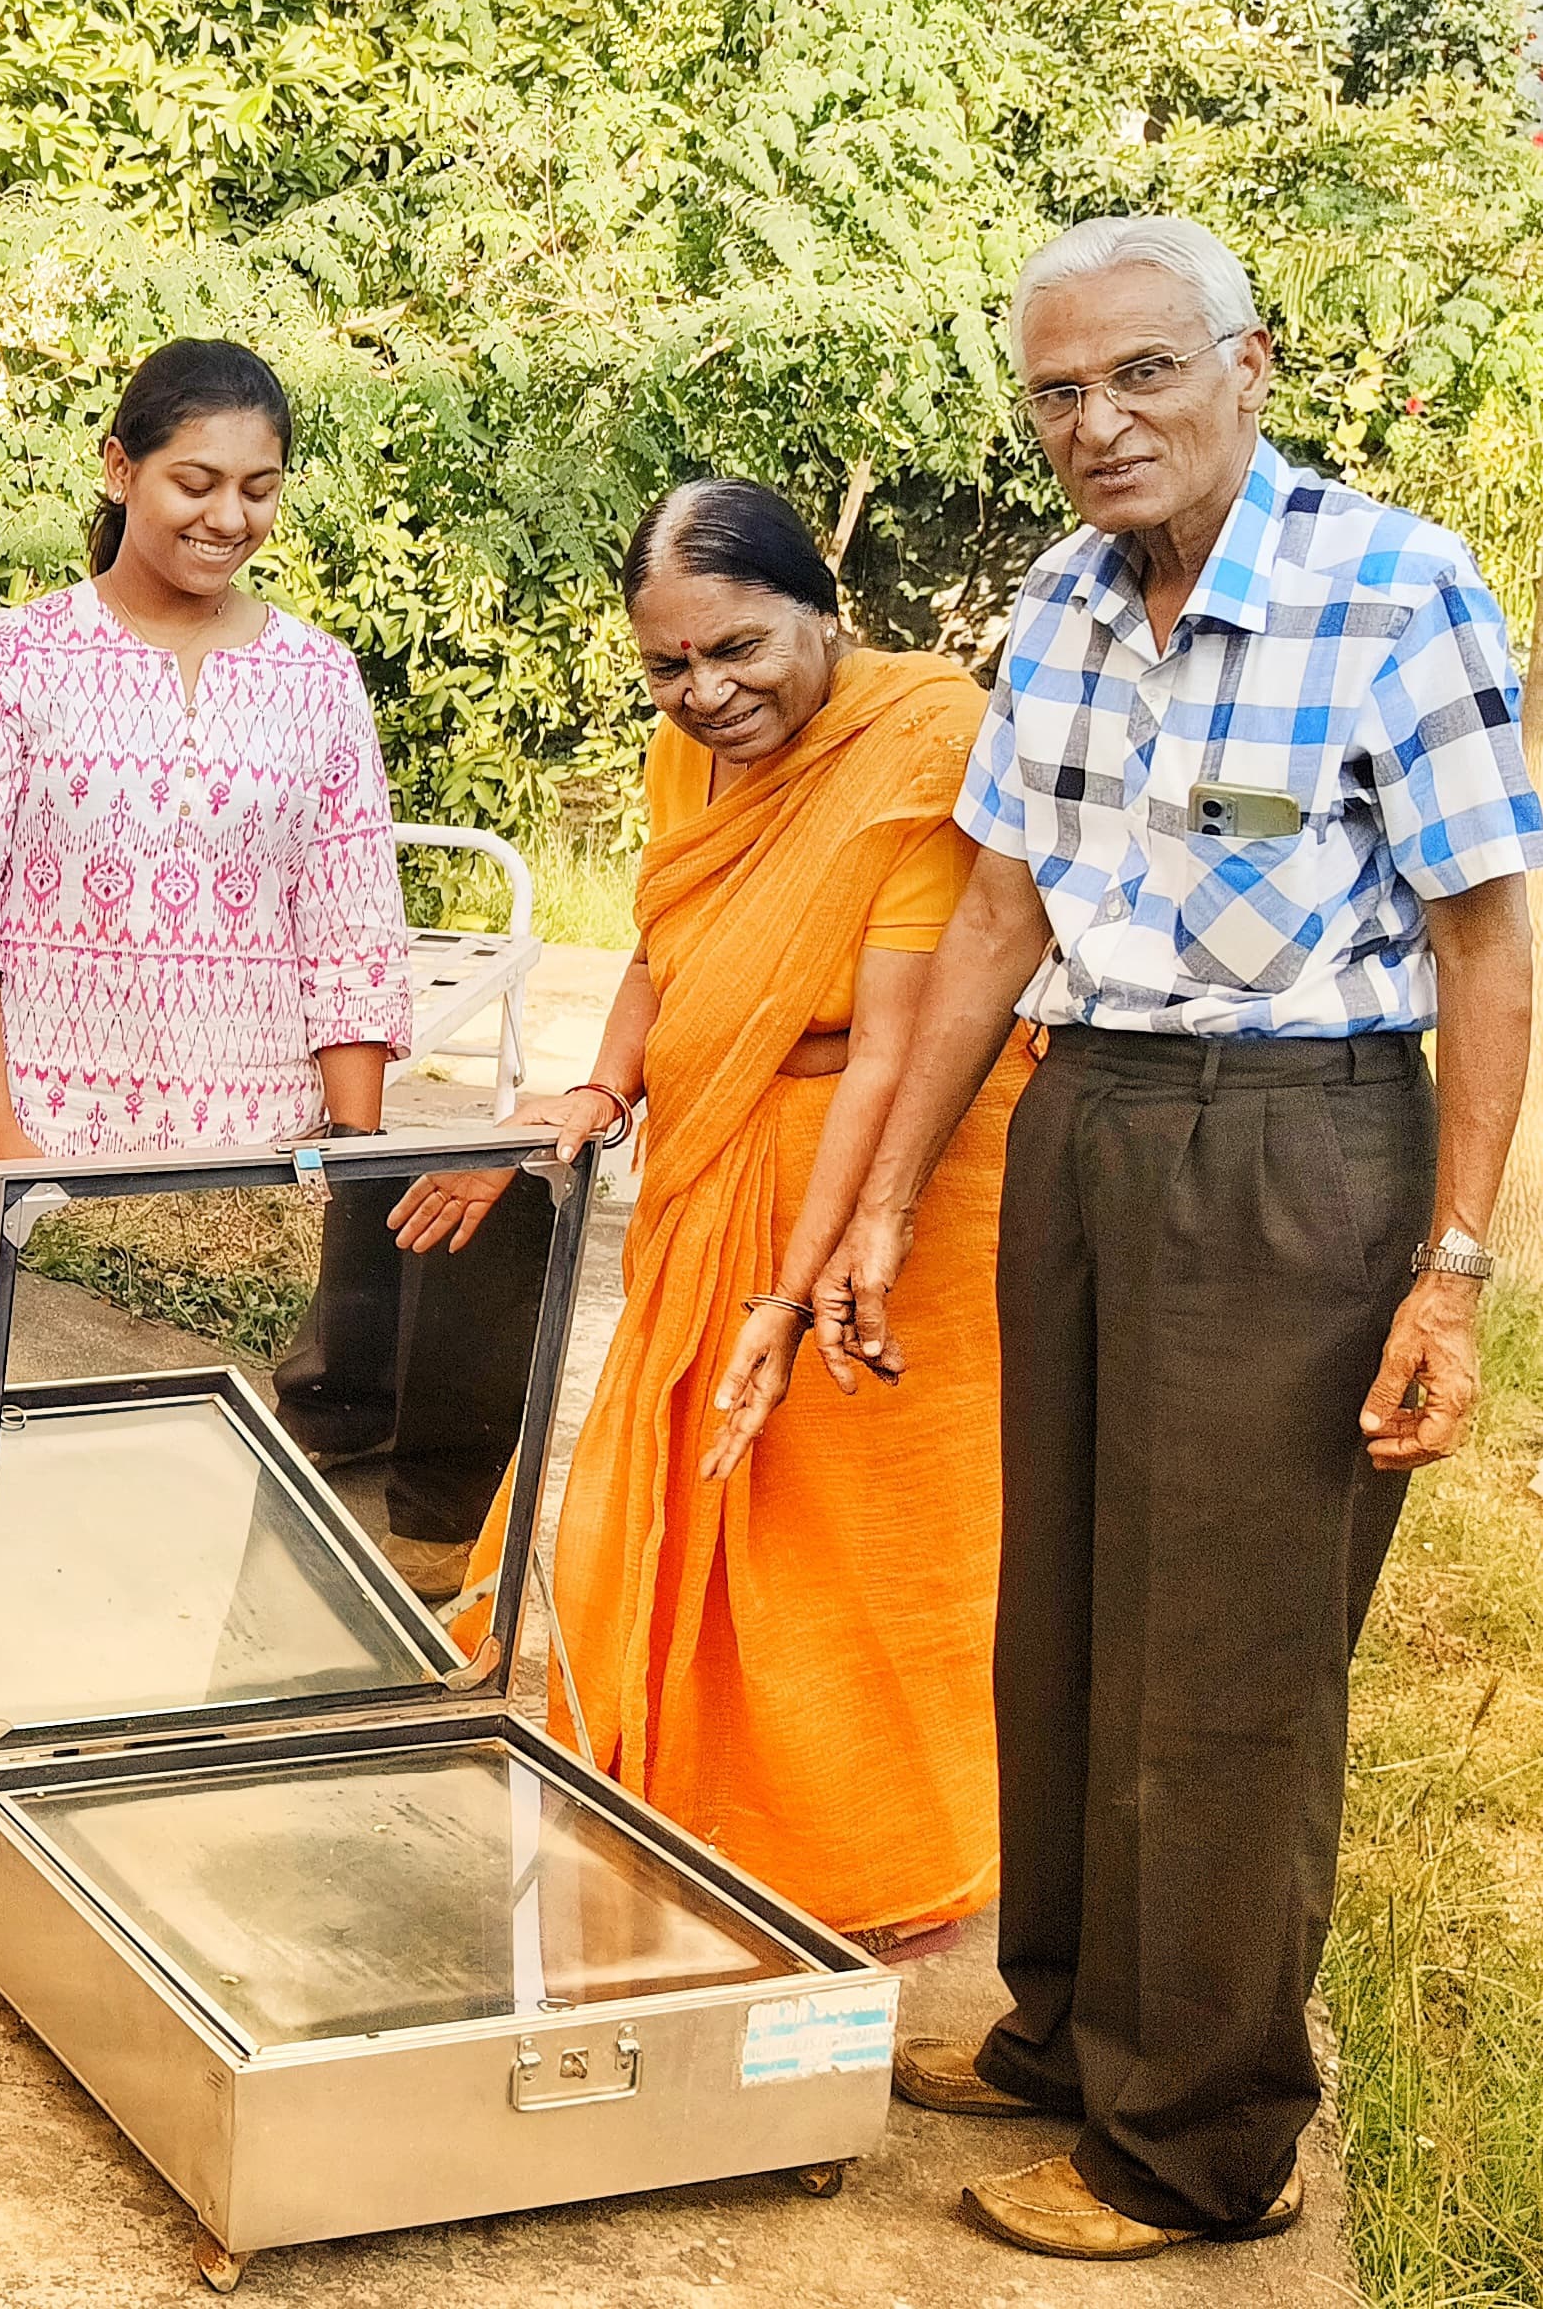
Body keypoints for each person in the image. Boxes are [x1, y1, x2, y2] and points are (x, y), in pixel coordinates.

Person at [821, 215, 1537, 2261]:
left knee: (1216, 1661)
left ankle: (1198, 2143)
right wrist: (882, 1195)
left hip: (1292, 1144)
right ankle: (1066, 2029)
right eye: (1053, 389)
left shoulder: (1389, 588)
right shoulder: (1058, 596)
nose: (1090, 422)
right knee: (1060, 1608)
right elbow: (990, 911)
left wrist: (1449, 1268)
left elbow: (1490, 938)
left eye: (1136, 374)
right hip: (1084, 1122)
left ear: (1243, 362)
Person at [389, 479, 1018, 1950]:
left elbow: (891, 1046)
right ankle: (691, 1812)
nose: (706, 693)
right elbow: (666, 951)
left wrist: (791, 1292)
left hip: (884, 1184)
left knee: (840, 1540)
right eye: (667, 666)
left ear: (823, 610)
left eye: (737, 650)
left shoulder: (928, 739)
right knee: (689, 1492)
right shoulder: (694, 762)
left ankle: (868, 1862)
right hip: (718, 1160)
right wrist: (592, 1096)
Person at [0, 337, 413, 1478]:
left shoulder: (314, 677)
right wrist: (0, 1151)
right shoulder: (14, 658)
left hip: (243, 1150)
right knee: (39, 1483)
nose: (229, 515)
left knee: (215, 1483)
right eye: (196, 480)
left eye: (258, 488)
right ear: (119, 469)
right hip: (42, 1123)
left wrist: (347, 1167)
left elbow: (351, 922)